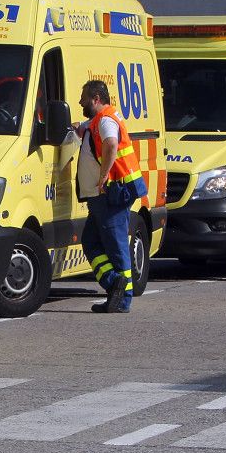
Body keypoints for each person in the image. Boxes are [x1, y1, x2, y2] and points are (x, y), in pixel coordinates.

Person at [76, 80, 147, 313]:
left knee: (116, 247)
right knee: (91, 241)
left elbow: (111, 145)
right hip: (103, 196)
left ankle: (122, 299)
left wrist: (104, 176)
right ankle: (112, 282)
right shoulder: (99, 120)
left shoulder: (106, 120)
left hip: (110, 193)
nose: (80, 102)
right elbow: (88, 128)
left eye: (84, 98)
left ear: (96, 98)